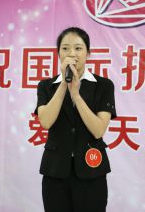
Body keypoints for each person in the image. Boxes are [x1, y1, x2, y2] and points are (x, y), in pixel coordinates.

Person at [35, 27, 117, 212]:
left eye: (78, 48)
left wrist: (76, 95)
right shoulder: (46, 86)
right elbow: (46, 122)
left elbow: (98, 130)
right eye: (65, 48)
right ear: (58, 54)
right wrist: (64, 85)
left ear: (88, 53)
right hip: (55, 172)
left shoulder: (103, 85)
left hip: (91, 171)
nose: (72, 53)